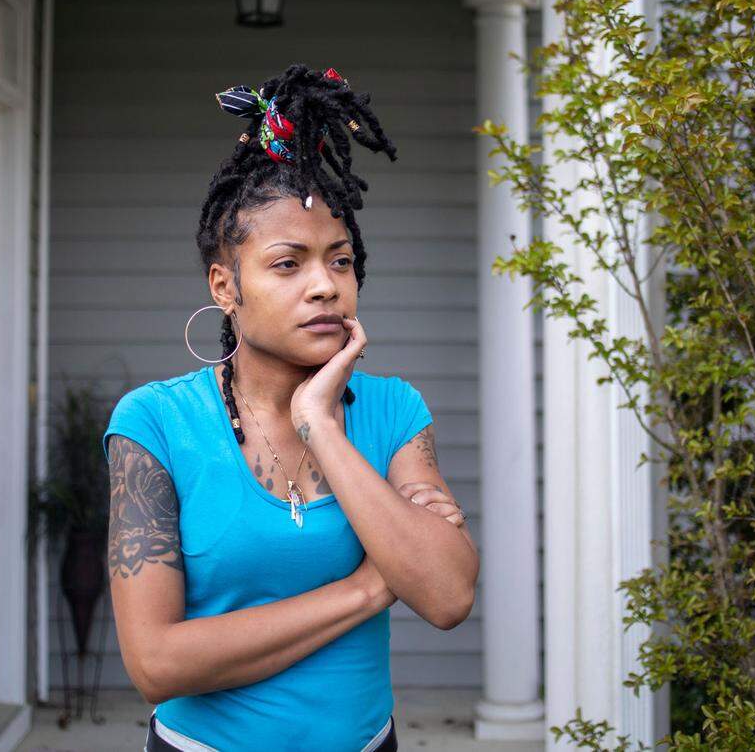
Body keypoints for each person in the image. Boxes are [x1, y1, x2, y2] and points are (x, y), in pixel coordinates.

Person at [101, 63, 480, 752]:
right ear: (225, 285)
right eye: (287, 263)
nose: (324, 286)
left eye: (340, 261)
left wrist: (321, 426)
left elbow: (448, 594)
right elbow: (156, 663)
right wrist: (368, 590)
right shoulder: (153, 424)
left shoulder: (393, 410)